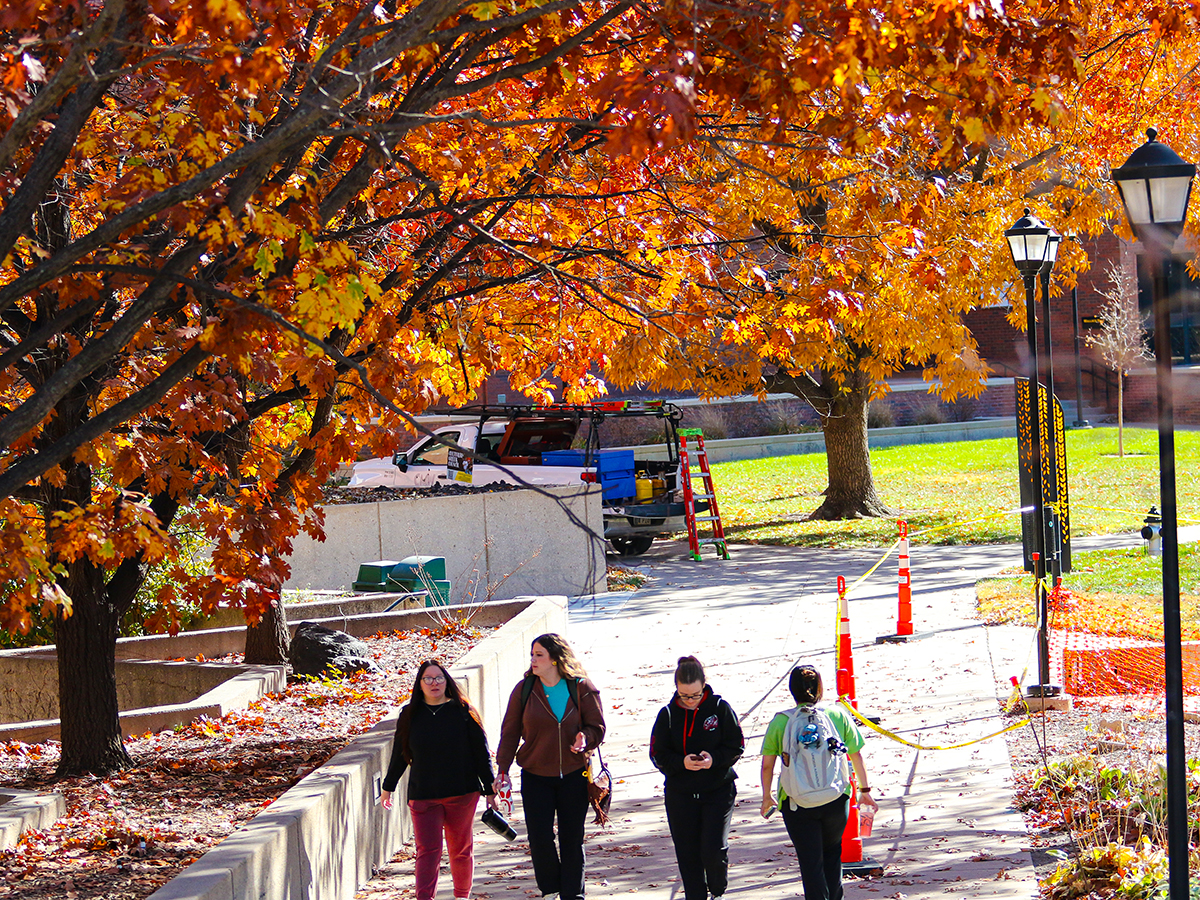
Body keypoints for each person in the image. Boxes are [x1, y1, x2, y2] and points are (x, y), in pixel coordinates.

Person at [496, 634, 606, 900]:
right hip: (535, 775)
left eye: (539, 655)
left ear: (555, 659)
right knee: (540, 839)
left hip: (573, 775)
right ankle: (551, 889)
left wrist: (586, 738)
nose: (533, 660)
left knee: (572, 839)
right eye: (532, 655)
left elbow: (597, 727)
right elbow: (510, 732)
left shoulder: (581, 688)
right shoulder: (524, 690)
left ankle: (572, 894)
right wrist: (502, 769)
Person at [382, 660, 499, 900]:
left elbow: (481, 752)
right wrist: (388, 787)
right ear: (420, 684)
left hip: (462, 793)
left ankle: (461, 896)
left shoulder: (464, 712)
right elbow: (400, 754)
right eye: (428, 679)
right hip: (423, 795)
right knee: (427, 851)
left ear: (447, 681)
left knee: (460, 850)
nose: (434, 683)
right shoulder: (410, 714)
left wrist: (489, 790)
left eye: (439, 678)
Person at [759, 665, 878, 900]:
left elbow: (767, 766)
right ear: (819, 687)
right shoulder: (837, 714)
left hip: (796, 803)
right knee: (833, 854)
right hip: (836, 798)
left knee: (810, 860)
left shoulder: (781, 722)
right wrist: (864, 791)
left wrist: (767, 797)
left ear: (793, 690)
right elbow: (856, 755)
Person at [649, 655, 745, 900]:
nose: (690, 701)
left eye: (695, 695)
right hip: (681, 793)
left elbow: (736, 745)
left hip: (717, 789)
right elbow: (657, 754)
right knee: (688, 853)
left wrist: (713, 759)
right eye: (684, 696)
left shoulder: (720, 707)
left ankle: (718, 890)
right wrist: (681, 762)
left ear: (704, 686)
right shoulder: (668, 714)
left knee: (713, 849)